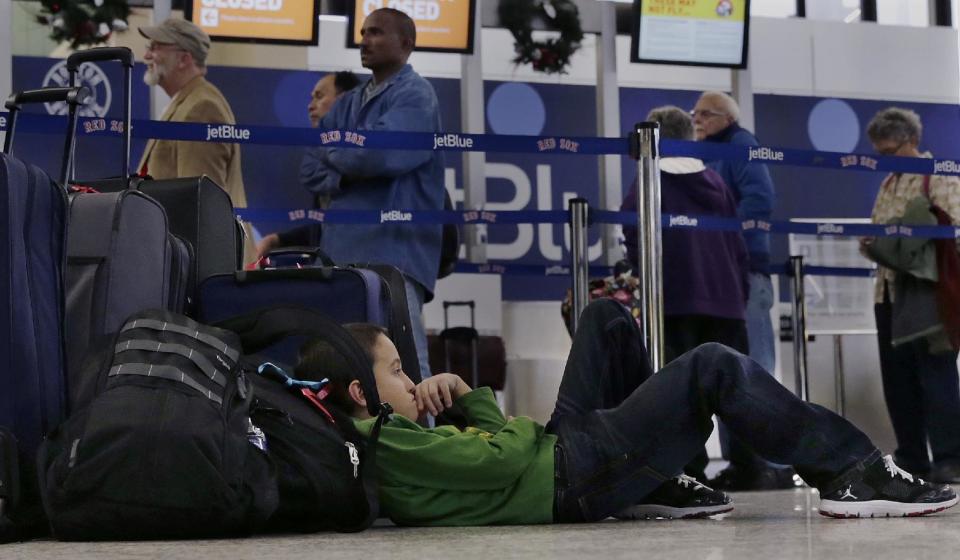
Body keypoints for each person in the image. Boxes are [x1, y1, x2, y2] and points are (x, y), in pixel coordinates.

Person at [293, 299, 957, 525]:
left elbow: (495, 457)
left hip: (566, 455)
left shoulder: (385, 434)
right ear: (359, 392)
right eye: (397, 372)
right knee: (714, 365)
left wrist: (470, 404)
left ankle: (660, 476)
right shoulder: (388, 440)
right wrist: (473, 401)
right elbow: (500, 458)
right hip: (573, 472)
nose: (411, 382)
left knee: (604, 316)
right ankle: (853, 472)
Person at [304, 8, 444, 381]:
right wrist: (349, 171)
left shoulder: (417, 95)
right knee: (339, 367)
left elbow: (382, 156)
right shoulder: (348, 102)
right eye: (364, 32)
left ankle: (425, 439)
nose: (364, 40)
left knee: (407, 369)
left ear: (406, 43)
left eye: (377, 32)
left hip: (394, 254)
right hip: (339, 255)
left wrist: (338, 159)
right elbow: (309, 166)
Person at [621, 105, 750, 483]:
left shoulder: (649, 179)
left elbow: (634, 233)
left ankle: (690, 471)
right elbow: (737, 244)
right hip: (726, 302)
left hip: (674, 300)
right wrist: (738, 294)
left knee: (682, 394)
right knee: (740, 391)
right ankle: (751, 465)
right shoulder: (715, 181)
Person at [692, 91, 788, 490]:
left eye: (704, 114)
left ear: (726, 118)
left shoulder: (741, 146)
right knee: (733, 372)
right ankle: (744, 463)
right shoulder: (707, 151)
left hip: (745, 271)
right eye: (693, 114)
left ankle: (771, 464)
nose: (696, 120)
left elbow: (760, 199)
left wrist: (720, 239)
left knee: (753, 371)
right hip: (724, 274)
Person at [860, 107, 960, 484]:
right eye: (879, 151)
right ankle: (911, 457)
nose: (884, 157)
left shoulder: (940, 174)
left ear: (913, 141)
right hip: (887, 291)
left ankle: (951, 457)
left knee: (937, 377)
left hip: (927, 291)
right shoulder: (888, 182)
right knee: (898, 381)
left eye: (890, 149)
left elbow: (952, 231)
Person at [137, 18, 256, 264]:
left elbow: (200, 205)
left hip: (195, 265)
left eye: (157, 46)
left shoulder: (200, 108)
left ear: (184, 59)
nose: (147, 54)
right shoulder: (189, 102)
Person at [254, 71, 361, 260]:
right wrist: (275, 240)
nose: (310, 106)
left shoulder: (365, 156)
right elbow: (323, 228)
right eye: (311, 98)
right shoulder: (318, 152)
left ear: (344, 100)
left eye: (319, 97)